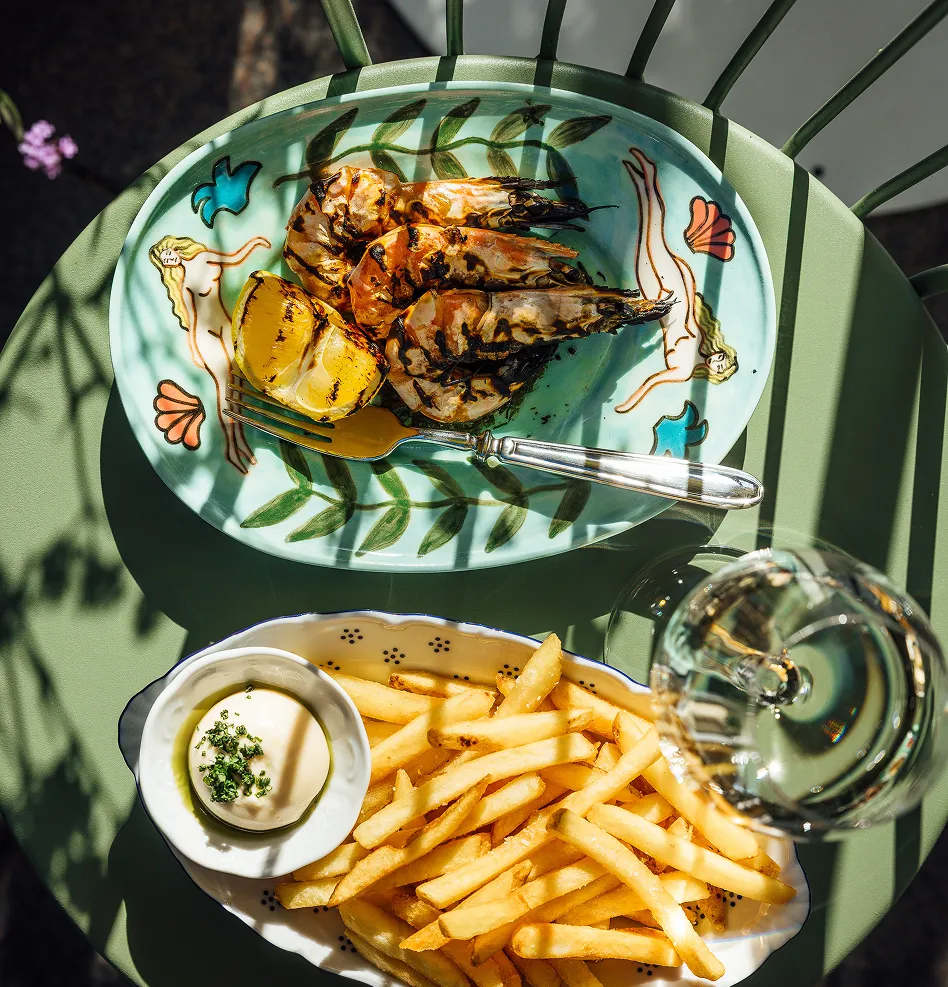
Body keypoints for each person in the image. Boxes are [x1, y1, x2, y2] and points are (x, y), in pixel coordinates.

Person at [616, 148, 736, 414]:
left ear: (713, 375)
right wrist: (682, 272)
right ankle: (649, 175)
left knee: (643, 238)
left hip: (658, 301)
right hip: (674, 294)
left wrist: (628, 404)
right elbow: (692, 310)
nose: (717, 362)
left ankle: (642, 185)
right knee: (652, 236)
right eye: (723, 360)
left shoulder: (683, 373)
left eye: (719, 368)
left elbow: (652, 382)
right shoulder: (704, 337)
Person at [148, 234, 270, 473]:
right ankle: (234, 448)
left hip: (225, 326)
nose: (170, 259)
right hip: (205, 336)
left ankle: (239, 442)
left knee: (239, 388)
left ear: (176, 248)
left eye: (168, 254)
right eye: (165, 261)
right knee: (225, 392)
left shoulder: (205, 257)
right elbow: (191, 317)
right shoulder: (181, 282)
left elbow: (235, 257)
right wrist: (193, 347)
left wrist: (254, 242)